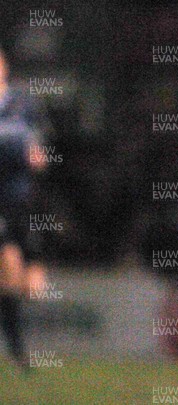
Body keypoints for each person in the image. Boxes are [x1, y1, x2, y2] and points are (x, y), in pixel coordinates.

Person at [0, 47, 49, 369]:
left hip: (20, 199)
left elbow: (37, 147)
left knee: (26, 285)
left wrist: (36, 155)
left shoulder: (22, 102)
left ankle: (17, 348)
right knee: (10, 265)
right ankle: (18, 350)